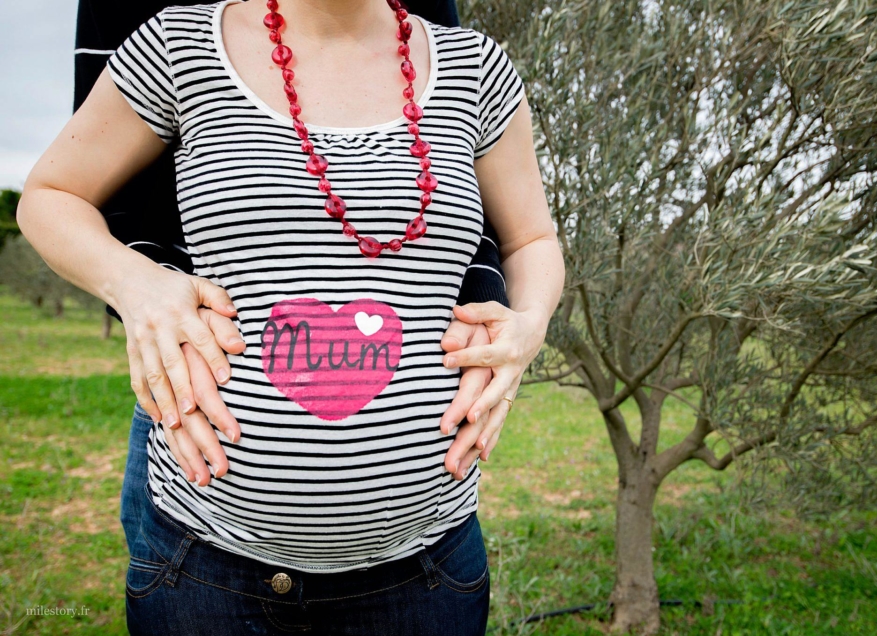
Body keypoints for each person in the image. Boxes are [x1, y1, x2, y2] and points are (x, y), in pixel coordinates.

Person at [18, 0, 564, 633]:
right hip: (206, 568)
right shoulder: (180, 42)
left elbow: (531, 239)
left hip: (424, 572)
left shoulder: (477, 68)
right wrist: (138, 287)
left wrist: (528, 325)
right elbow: (51, 196)